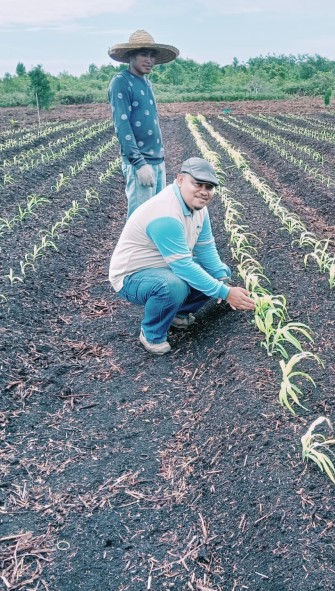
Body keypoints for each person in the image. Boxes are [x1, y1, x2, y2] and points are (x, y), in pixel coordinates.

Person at [109, 157, 256, 354]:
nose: (204, 191)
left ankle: (178, 313)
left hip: (165, 267)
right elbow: (183, 266)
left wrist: (222, 280)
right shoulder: (166, 214)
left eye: (209, 187)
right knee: (172, 286)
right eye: (197, 183)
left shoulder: (200, 210)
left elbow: (206, 249)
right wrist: (225, 293)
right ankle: (152, 334)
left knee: (217, 272)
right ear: (179, 180)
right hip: (132, 277)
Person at [108, 30, 179, 218]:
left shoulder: (147, 83)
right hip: (141, 162)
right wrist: (139, 164)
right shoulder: (121, 82)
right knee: (140, 221)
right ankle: (132, 250)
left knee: (157, 218)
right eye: (143, 54)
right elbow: (122, 126)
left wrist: (160, 159)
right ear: (130, 56)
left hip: (157, 160)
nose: (149, 60)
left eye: (152, 55)